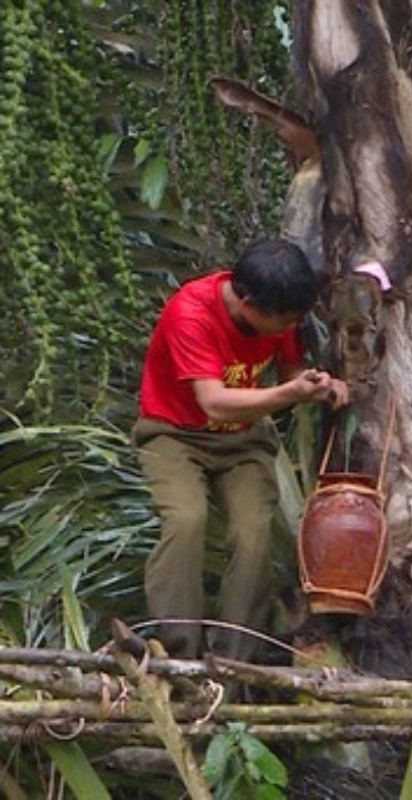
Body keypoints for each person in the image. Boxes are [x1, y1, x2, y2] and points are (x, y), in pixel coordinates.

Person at [132, 238, 348, 662]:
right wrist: (289, 392)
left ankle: (234, 661)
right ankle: (179, 657)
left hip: (242, 439)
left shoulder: (281, 315)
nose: (289, 328)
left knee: (253, 533)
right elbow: (212, 400)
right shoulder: (191, 313)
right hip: (175, 435)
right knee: (186, 520)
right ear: (247, 303)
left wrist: (319, 385)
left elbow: (292, 370)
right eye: (283, 320)